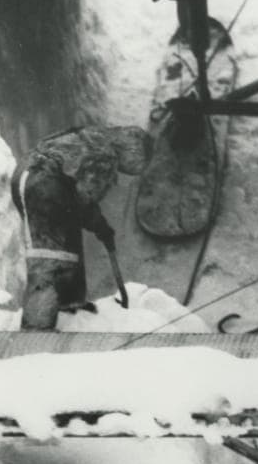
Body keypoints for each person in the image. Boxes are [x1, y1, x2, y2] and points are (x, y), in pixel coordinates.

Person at [11, 125, 152, 330]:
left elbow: (77, 202)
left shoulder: (95, 138)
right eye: (141, 163)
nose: (137, 171)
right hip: (43, 182)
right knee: (50, 259)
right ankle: (36, 330)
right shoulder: (106, 155)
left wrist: (99, 226)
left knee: (64, 242)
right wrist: (101, 227)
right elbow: (85, 199)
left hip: (31, 175)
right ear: (133, 151)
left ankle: (68, 303)